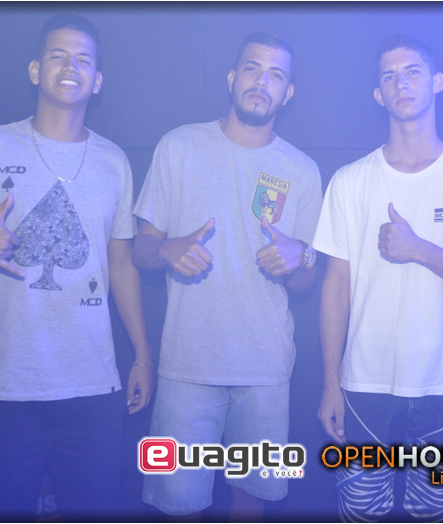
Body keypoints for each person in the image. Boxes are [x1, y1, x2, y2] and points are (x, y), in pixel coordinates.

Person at [0, 14, 154, 520]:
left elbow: (122, 267)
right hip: (6, 381)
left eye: (83, 59)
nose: (70, 66)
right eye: (58, 55)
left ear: (97, 80)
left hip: (93, 383)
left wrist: (143, 356)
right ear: (35, 70)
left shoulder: (114, 161)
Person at [314, 34, 443, 522]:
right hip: (362, 383)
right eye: (389, 76)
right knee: (359, 512)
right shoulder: (349, 180)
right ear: (378, 94)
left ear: (437, 82)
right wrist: (329, 383)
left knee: (436, 513)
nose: (401, 84)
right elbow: (334, 287)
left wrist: (420, 250)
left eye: (412, 72)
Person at [132, 32, 322, 521]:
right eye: (252, 69)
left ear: (288, 93)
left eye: (275, 75)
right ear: (233, 78)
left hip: (266, 369)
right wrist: (168, 249)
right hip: (186, 365)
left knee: (251, 501)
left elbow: (306, 282)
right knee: (178, 506)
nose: (262, 82)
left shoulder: (302, 170)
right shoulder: (179, 146)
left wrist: (299, 257)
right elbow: (141, 248)